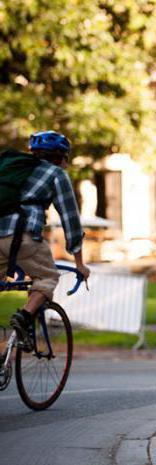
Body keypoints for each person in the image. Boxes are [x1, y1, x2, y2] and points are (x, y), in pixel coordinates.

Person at [0, 130, 90, 350]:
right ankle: (23, 317)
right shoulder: (55, 174)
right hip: (22, 236)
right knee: (47, 277)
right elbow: (71, 218)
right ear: (61, 157)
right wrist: (79, 263)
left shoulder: (12, 170)